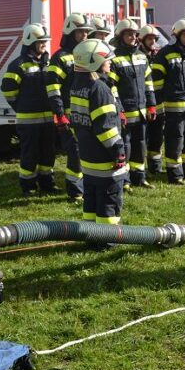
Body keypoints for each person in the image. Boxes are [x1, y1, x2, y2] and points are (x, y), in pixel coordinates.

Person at [69, 39, 126, 242]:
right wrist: (118, 152)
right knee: (108, 201)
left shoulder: (77, 85)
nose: (110, 63)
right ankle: (107, 239)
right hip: (105, 159)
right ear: (94, 62)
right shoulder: (99, 89)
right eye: (107, 60)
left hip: (87, 156)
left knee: (91, 200)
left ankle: (90, 235)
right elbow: (106, 128)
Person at [0, 23, 57, 196]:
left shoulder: (48, 63)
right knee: (30, 154)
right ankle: (28, 186)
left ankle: (47, 184)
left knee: (48, 154)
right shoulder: (18, 65)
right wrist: (20, 106)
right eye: (41, 41)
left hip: (48, 120)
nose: (44, 45)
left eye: (45, 41)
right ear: (30, 41)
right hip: (28, 120)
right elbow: (8, 90)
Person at [46, 13, 92, 203]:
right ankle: (75, 191)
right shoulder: (60, 58)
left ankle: (86, 186)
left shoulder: (87, 54)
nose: (85, 36)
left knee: (88, 150)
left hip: (88, 112)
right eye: (80, 32)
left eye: (86, 32)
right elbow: (53, 87)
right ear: (70, 33)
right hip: (69, 114)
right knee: (75, 152)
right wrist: (59, 113)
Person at [152, 18, 185, 185]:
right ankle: (175, 175)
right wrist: (159, 106)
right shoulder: (164, 54)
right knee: (175, 140)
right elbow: (157, 84)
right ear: (177, 35)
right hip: (173, 107)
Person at [109, 19, 156, 190]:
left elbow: (149, 83)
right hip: (125, 113)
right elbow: (111, 88)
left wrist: (152, 105)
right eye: (129, 34)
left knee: (140, 144)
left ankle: (140, 177)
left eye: (135, 35)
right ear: (120, 37)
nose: (133, 37)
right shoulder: (114, 59)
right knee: (126, 146)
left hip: (142, 111)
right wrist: (119, 110)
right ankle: (125, 180)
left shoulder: (142, 56)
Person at [138, 24, 169, 174]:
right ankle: (138, 168)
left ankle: (155, 167)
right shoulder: (137, 56)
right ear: (142, 40)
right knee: (142, 138)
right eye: (149, 39)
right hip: (142, 104)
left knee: (157, 137)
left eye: (154, 39)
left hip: (158, 103)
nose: (152, 42)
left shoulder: (157, 56)